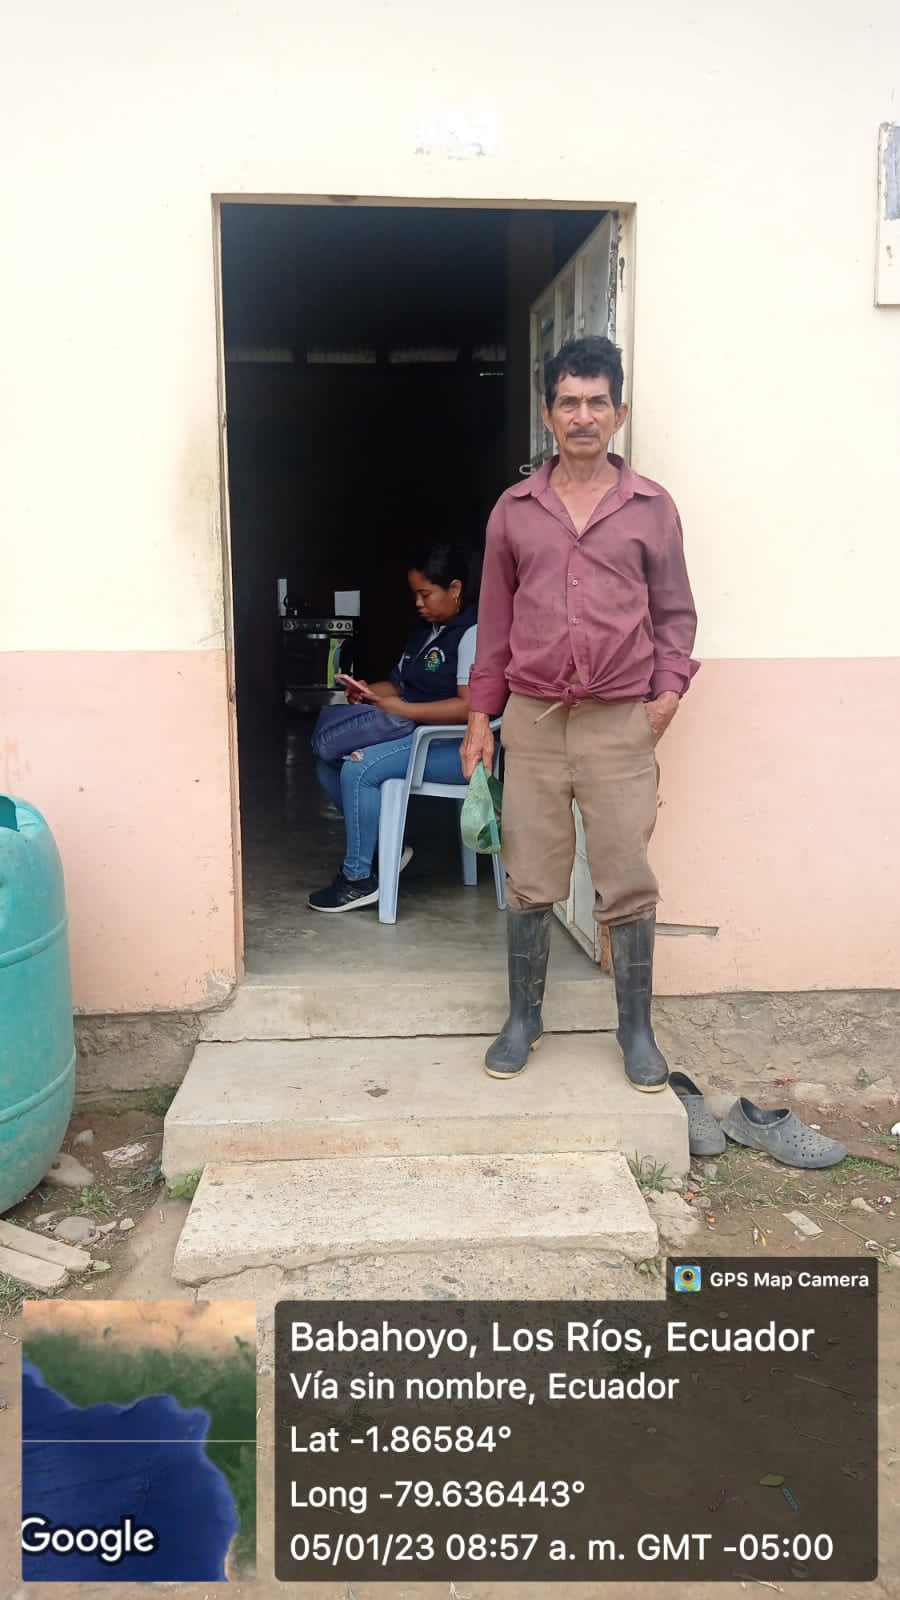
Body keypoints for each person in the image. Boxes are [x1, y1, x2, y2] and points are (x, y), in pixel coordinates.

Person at [461, 336, 699, 1089]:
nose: (584, 416)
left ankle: (635, 1031)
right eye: (569, 402)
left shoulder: (651, 510)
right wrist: (480, 719)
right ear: (548, 414)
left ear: (619, 413)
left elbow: (676, 613)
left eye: (598, 402)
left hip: (619, 721)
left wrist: (666, 695)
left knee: (625, 873)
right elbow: (494, 625)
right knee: (531, 873)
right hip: (533, 720)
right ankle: (523, 1019)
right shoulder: (515, 512)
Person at [308, 541, 479, 912]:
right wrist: (368, 691)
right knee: (328, 760)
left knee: (358, 766)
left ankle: (357, 879)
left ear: (455, 589)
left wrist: (404, 708)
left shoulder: (471, 634)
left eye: (426, 594)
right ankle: (385, 847)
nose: (418, 603)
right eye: (414, 594)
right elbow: (398, 686)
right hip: (412, 736)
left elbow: (469, 707)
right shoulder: (425, 633)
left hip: (453, 748)